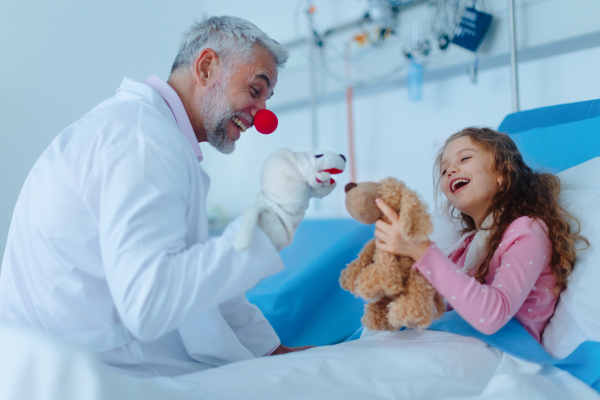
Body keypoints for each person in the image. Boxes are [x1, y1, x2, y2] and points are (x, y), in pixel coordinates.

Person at [0, 16, 313, 378]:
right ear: (207, 67)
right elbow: (150, 303)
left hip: (62, 357)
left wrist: (274, 352)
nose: (262, 115)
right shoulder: (144, 142)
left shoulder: (146, 131)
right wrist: (272, 225)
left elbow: (196, 273)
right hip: (92, 372)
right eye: (255, 90)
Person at [373, 127, 587, 342]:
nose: (450, 171)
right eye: (444, 170)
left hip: (500, 350)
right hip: (448, 342)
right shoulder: (464, 247)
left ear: (502, 173)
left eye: (464, 158)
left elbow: (492, 316)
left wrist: (421, 251)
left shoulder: (528, 230)